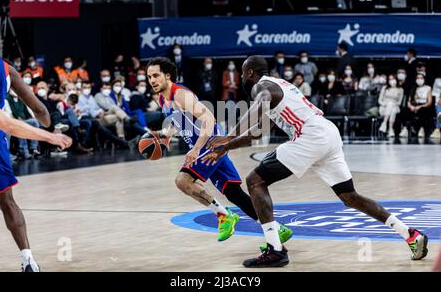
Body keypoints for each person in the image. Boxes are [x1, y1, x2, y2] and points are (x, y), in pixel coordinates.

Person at [202, 55, 428, 267]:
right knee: (350, 197)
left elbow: (255, 108)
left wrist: (229, 136)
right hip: (326, 132)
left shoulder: (261, 86)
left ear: (250, 72)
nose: (242, 78)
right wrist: (228, 146)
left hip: (310, 135)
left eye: (243, 74)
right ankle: (410, 234)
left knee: (254, 181)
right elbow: (257, 132)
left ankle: (275, 249)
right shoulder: (280, 86)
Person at [146, 57, 292, 246]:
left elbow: (209, 118)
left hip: (210, 143)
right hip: (206, 145)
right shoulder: (162, 98)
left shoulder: (180, 94)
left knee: (183, 181)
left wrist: (197, 149)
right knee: (233, 193)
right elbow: (178, 122)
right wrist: (165, 135)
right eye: (149, 77)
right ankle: (277, 229)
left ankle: (224, 215)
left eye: (156, 75)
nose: (152, 80)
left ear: (167, 75)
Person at [0, 24, 70, 272]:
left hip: (0, 124)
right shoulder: (5, 69)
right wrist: (51, 127)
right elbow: (38, 110)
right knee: (7, 203)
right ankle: (28, 260)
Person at [6, 90, 41, 159]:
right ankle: (24, 151)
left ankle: (33, 148)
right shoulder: (7, 99)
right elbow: (11, 113)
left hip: (24, 120)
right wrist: (17, 119)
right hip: (15, 121)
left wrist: (30, 117)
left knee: (35, 122)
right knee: (21, 126)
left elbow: (26, 112)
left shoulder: (21, 99)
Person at [406, 73, 433, 138]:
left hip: (424, 105)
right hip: (414, 104)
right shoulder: (413, 88)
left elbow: (429, 102)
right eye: (418, 78)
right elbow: (409, 100)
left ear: (424, 79)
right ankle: (405, 129)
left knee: (423, 111)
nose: (419, 80)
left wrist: (420, 106)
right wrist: (410, 106)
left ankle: (421, 129)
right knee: (406, 110)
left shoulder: (428, 88)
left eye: (421, 78)